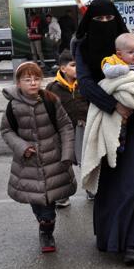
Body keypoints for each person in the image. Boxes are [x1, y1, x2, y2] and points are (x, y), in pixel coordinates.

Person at [72, 0, 134, 266]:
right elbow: (85, 83)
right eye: (98, 20)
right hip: (105, 120)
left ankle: (131, 243)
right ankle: (107, 236)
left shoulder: (131, 45)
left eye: (108, 19)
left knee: (133, 181)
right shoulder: (82, 46)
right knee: (111, 182)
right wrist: (114, 105)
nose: (105, 24)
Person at [0, 62, 76, 253]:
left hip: (53, 160)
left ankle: (46, 232)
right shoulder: (13, 106)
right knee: (36, 201)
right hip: (28, 164)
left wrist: (67, 154)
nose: (33, 83)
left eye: (36, 79)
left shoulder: (51, 100)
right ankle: (43, 222)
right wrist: (22, 147)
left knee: (48, 206)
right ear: (18, 83)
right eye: (27, 79)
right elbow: (7, 130)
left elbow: (66, 127)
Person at [46, 49, 90, 205]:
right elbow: (48, 111)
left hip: (84, 128)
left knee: (88, 160)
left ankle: (91, 188)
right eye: (73, 65)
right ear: (63, 68)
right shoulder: (52, 88)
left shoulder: (85, 84)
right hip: (63, 132)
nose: (78, 68)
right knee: (64, 163)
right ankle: (63, 195)